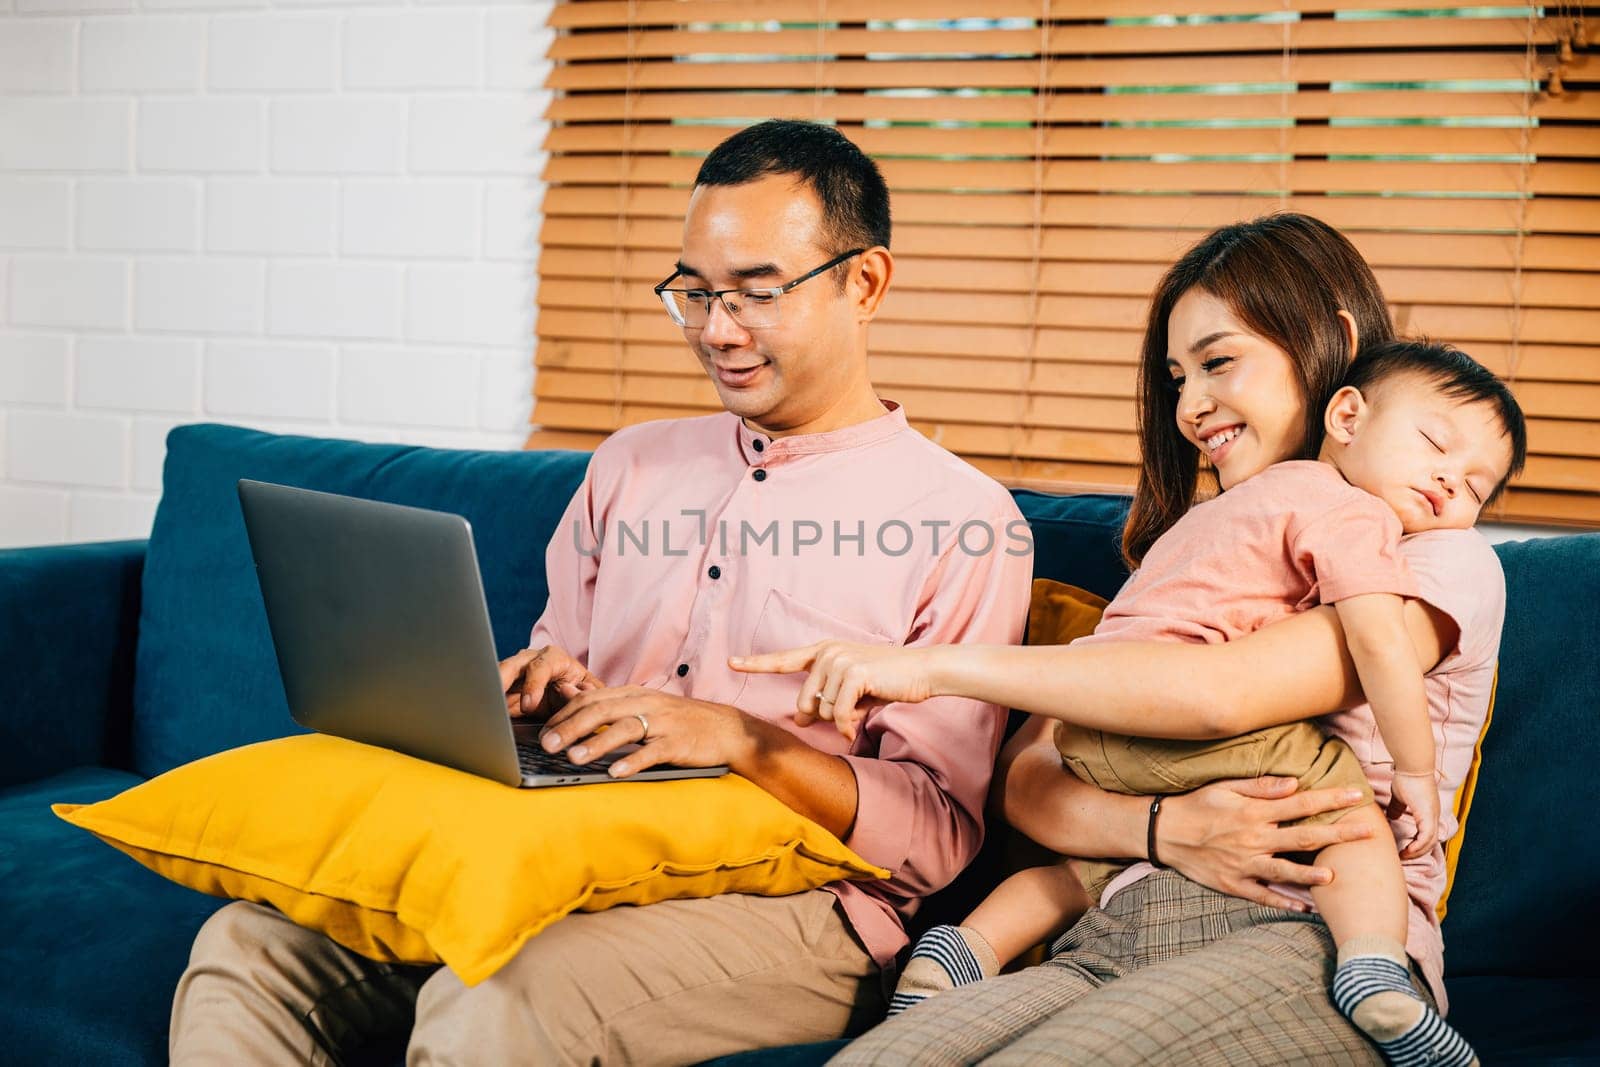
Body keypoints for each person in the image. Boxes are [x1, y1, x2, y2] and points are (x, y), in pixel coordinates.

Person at [167, 120, 1033, 1065]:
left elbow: (938, 837)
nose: (716, 330)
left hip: (795, 909)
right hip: (564, 853)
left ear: (864, 283)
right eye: (694, 293)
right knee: (245, 947)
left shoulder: (964, 522)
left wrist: (742, 742)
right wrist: (540, 688)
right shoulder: (628, 466)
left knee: (492, 996)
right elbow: (566, 661)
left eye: (755, 292)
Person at [737, 214, 1510, 1064]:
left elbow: (1221, 693)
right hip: (1110, 928)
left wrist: (930, 667)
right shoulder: (1199, 549)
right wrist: (1160, 828)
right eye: (1177, 378)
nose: (1191, 407)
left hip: (1306, 928)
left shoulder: (1435, 552)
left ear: (1333, 345)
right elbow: (1031, 779)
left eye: (1219, 362)